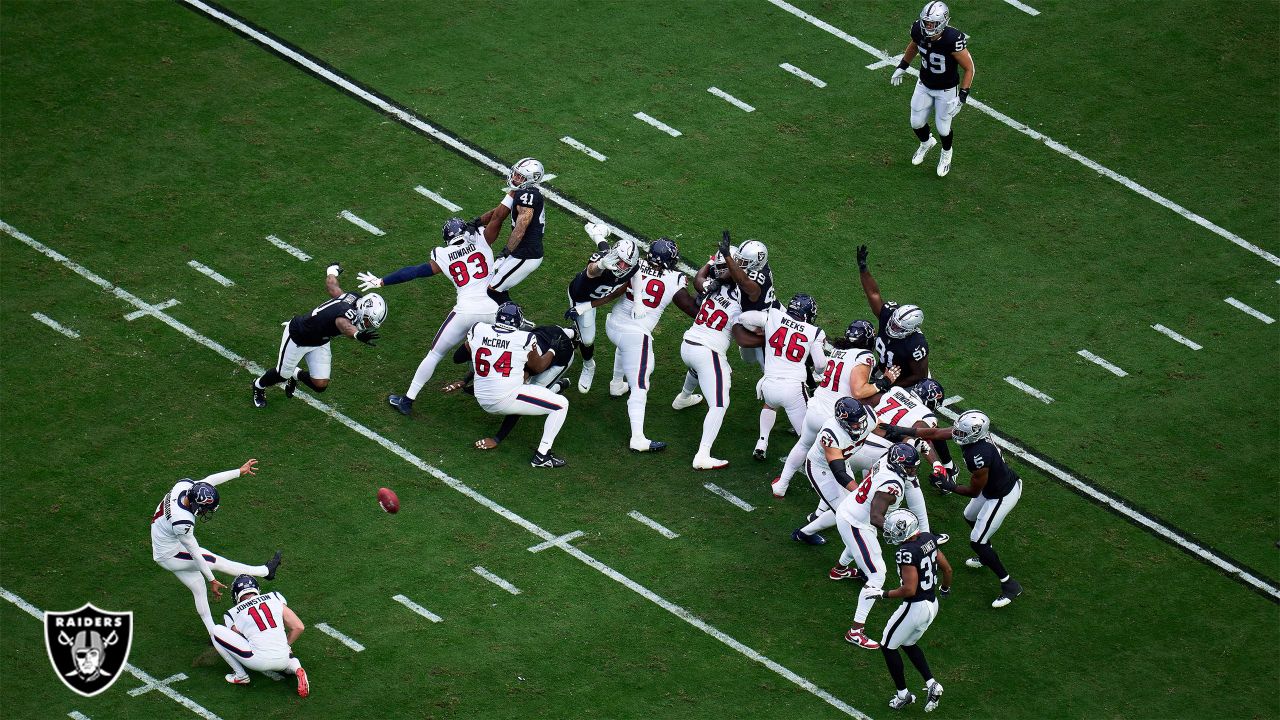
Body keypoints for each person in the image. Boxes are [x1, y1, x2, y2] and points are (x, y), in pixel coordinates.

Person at [355, 218, 497, 416]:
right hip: (492, 309)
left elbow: (414, 272)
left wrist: (381, 282)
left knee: (435, 354)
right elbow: (499, 215)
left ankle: (407, 400)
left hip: (465, 310)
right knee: (501, 347)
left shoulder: (443, 254)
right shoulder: (482, 239)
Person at [150, 459, 282, 634]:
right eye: (206, 508)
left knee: (198, 587)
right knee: (213, 560)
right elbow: (195, 552)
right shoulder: (182, 521)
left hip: (163, 544)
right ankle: (265, 572)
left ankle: (214, 634)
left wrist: (238, 471)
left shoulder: (183, 488)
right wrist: (212, 579)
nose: (206, 512)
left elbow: (209, 480)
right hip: (170, 554)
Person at [604, 238, 698, 452]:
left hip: (612, 325)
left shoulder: (633, 263)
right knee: (640, 385)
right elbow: (692, 309)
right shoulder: (674, 278)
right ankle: (637, 438)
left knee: (625, 348)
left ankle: (617, 384)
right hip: (635, 336)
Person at [252, 264, 384, 408]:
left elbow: (333, 288)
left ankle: (295, 374)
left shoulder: (354, 298)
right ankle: (258, 386)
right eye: (367, 320)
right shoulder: (348, 314)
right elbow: (343, 325)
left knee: (320, 384)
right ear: (363, 309)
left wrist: (332, 271)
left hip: (319, 341)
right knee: (282, 375)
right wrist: (357, 335)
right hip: (298, 336)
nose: (367, 324)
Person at [773, 320, 880, 497]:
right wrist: (882, 383)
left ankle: (781, 485)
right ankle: (837, 501)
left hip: (815, 408)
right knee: (841, 461)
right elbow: (859, 391)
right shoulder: (864, 357)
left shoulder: (838, 351)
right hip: (836, 416)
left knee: (803, 445)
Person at [829, 443, 921, 649]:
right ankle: (855, 631)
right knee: (878, 575)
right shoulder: (892, 485)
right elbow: (876, 516)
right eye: (909, 468)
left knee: (861, 549)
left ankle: (839, 570)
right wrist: (896, 529)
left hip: (851, 509)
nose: (913, 471)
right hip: (858, 522)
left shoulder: (885, 462)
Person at [671, 238, 751, 470]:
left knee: (704, 369)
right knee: (719, 404)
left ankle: (683, 397)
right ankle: (703, 455)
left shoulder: (709, 286)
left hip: (688, 344)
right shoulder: (743, 297)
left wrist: (710, 261)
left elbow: (699, 280)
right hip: (708, 351)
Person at [860, 508, 951, 711]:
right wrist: (945, 587)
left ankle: (903, 695)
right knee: (908, 643)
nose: (890, 533)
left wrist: (882, 594)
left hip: (915, 606)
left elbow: (909, 589)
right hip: (932, 604)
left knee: (887, 645)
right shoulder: (928, 538)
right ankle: (932, 684)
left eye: (893, 529)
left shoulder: (906, 552)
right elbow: (947, 569)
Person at [931, 410, 1024, 607]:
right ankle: (986, 554)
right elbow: (937, 434)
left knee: (977, 541)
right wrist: (901, 430)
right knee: (969, 515)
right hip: (992, 487)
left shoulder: (977, 454)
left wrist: (949, 486)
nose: (958, 435)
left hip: (1003, 495)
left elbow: (973, 491)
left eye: (962, 433)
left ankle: (1009, 585)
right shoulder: (977, 441)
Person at [466, 302, 569, 468]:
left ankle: (556, 388)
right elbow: (538, 367)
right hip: (504, 397)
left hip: (481, 393)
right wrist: (553, 351)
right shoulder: (524, 338)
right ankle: (542, 456)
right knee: (561, 405)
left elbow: (468, 348)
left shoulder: (478, 329)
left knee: (527, 388)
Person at [450, 323, 578, 451]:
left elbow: (518, 407)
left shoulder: (526, 355)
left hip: (561, 355)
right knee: (532, 393)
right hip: (545, 334)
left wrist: (497, 438)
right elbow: (489, 365)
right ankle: (559, 383)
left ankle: (558, 385)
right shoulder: (517, 347)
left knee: (542, 394)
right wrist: (464, 380)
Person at [737, 293, 828, 463]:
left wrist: (760, 331)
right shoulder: (814, 331)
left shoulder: (774, 315)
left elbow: (744, 318)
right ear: (807, 313)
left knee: (770, 406)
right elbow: (820, 365)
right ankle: (816, 467)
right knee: (808, 435)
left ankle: (761, 442)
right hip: (793, 389)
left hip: (768, 385)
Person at [889, 1, 975, 177]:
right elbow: (914, 45)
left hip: (946, 89)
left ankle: (946, 153)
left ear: (942, 22)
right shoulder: (918, 30)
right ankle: (926, 143)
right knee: (916, 122)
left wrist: (963, 96)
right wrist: (903, 65)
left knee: (943, 128)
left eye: (932, 23)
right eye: (926, 22)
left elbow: (969, 68)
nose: (927, 26)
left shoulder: (953, 39)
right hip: (924, 83)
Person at [565, 224, 641, 393]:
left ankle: (597, 234)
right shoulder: (602, 263)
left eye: (626, 264)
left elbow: (634, 275)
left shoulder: (631, 266)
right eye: (620, 261)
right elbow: (592, 271)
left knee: (611, 256)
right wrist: (600, 265)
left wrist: (638, 300)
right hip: (579, 297)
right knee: (587, 339)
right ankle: (588, 364)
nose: (622, 267)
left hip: (591, 300)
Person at [792, 398, 876, 545]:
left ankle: (804, 533)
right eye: (855, 423)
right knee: (849, 514)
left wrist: (914, 433)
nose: (860, 426)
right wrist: (861, 492)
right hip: (821, 470)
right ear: (843, 422)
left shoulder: (868, 417)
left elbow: (888, 430)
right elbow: (839, 474)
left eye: (861, 421)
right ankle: (844, 564)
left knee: (849, 509)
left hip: (843, 463)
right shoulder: (831, 432)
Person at [213, 575, 308, 698]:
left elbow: (238, 636)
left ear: (236, 594)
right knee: (282, 651)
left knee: (215, 630)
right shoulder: (275, 598)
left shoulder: (232, 613)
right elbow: (299, 627)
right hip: (283, 656)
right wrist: (286, 644)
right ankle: (296, 668)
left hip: (257, 661)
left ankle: (240, 676)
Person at [475, 157, 547, 304]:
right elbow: (499, 212)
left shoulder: (527, 196)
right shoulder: (519, 191)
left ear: (532, 179)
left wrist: (507, 251)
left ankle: (516, 321)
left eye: (520, 176)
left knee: (493, 289)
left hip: (527, 255)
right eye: (515, 173)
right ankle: (505, 317)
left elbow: (520, 228)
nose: (515, 177)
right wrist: (477, 222)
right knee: (498, 285)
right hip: (519, 251)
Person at [857, 246, 929, 388]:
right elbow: (873, 294)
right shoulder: (888, 316)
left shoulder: (915, 345)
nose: (892, 327)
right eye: (893, 322)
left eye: (898, 327)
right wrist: (863, 269)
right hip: (884, 372)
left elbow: (919, 376)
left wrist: (889, 386)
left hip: (906, 384)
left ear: (910, 330)